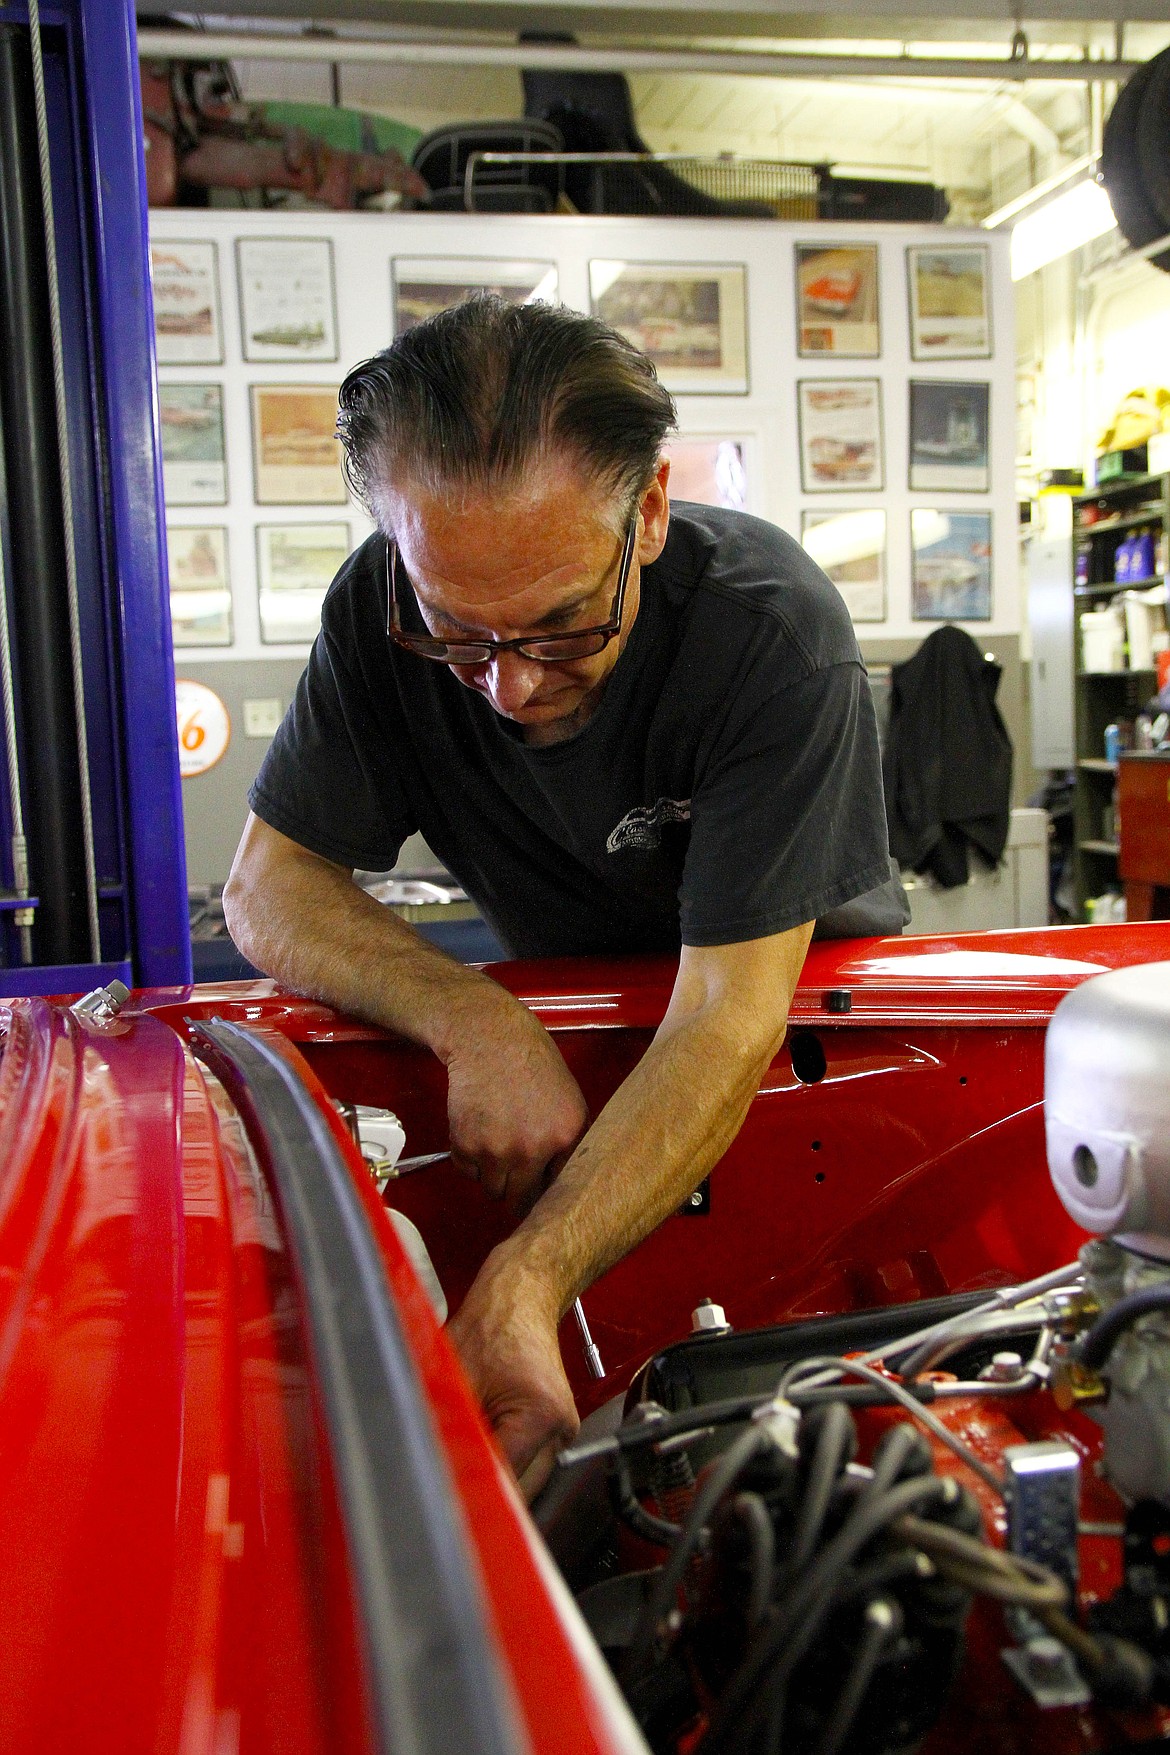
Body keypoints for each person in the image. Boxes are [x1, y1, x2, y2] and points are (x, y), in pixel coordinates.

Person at [224, 296, 905, 1494]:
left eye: (558, 628)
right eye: (457, 635)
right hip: (561, 1040)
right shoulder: (376, 607)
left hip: (800, 1060)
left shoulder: (770, 638)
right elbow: (268, 888)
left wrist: (528, 1279)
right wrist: (476, 1018)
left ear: (646, 512)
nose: (508, 688)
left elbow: (725, 1018)